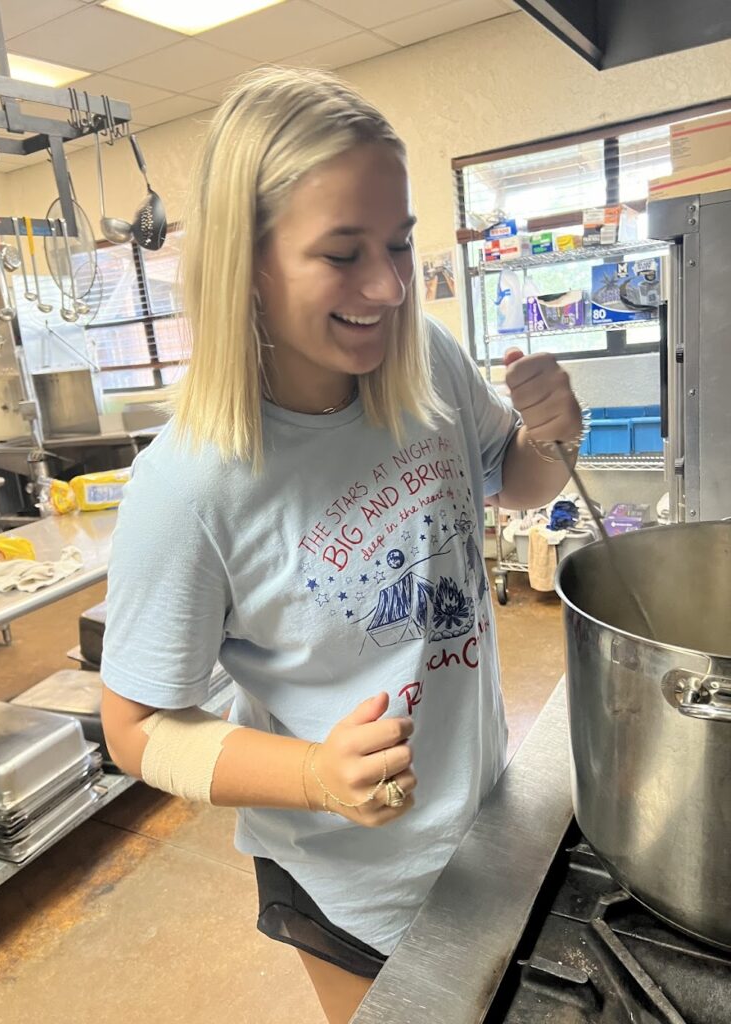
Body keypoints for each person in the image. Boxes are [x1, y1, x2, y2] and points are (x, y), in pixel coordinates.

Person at [100, 66, 582, 1024]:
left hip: (484, 821)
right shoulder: (190, 482)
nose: (389, 284)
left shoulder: (423, 358)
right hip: (350, 881)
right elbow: (136, 730)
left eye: (399, 244)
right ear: (249, 261)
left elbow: (513, 480)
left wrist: (553, 437)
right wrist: (315, 775)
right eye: (343, 253)